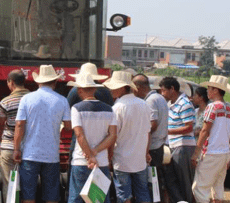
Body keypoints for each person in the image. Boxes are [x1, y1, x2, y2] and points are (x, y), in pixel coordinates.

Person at [14, 65, 71, 203]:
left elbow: (20, 125)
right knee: (51, 197)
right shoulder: (62, 100)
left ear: (38, 82)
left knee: (28, 196)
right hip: (51, 156)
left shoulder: (27, 99)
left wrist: (16, 149)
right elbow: (68, 127)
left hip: (29, 154)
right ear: (55, 82)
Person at [67, 73, 117, 203]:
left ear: (79, 90)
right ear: (95, 89)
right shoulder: (109, 110)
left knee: (76, 199)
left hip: (81, 161)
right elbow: (112, 136)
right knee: (98, 199)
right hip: (102, 162)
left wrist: (90, 156)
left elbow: (79, 135)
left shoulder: (76, 109)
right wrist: (95, 152)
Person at [104, 71, 152, 203]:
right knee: (143, 193)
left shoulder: (117, 108)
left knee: (124, 196)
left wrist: (109, 157)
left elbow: (113, 136)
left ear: (121, 87)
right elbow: (148, 133)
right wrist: (146, 153)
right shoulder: (144, 105)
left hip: (121, 160)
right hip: (139, 160)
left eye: (113, 87)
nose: (111, 89)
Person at [192, 75, 230, 203]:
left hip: (212, 153)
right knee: (218, 189)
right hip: (224, 153)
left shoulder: (212, 107)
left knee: (199, 188)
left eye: (209, 88)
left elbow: (205, 131)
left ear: (216, 90)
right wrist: (229, 156)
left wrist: (196, 153)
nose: (207, 91)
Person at [159, 76, 195, 203]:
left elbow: (188, 127)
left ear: (172, 89)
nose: (162, 93)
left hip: (182, 146)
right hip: (173, 146)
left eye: (163, 90)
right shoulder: (170, 104)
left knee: (184, 182)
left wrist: (168, 131)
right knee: (171, 180)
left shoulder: (185, 104)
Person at [133, 74, 168, 203]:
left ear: (139, 87)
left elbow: (153, 124)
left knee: (151, 181)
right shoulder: (160, 97)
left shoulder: (150, 100)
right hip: (159, 145)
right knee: (156, 180)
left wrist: (140, 133)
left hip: (152, 147)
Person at [0, 70, 30, 199]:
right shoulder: (32, 99)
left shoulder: (6, 101)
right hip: (29, 149)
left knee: (9, 184)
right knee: (28, 186)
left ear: (11, 82)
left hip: (9, 149)